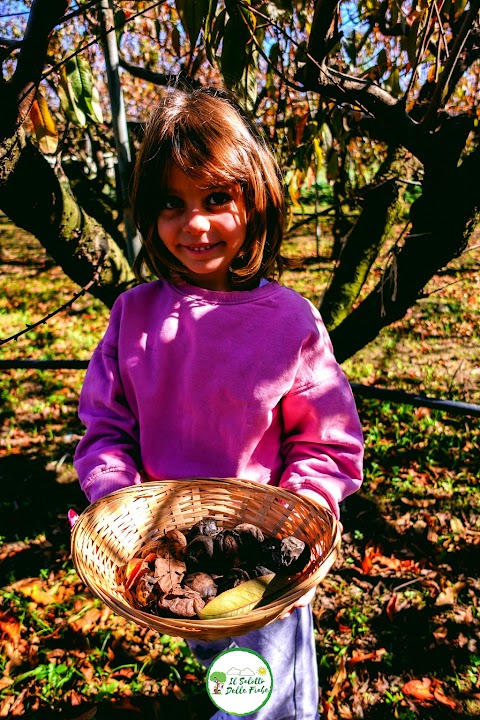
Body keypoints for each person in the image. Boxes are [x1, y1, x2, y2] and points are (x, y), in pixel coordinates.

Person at [73, 85, 364, 720]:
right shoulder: (134, 316)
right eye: (173, 204)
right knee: (232, 676)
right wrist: (118, 502)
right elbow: (105, 428)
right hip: (176, 556)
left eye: (216, 199)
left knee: (262, 698)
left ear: (253, 202)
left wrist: (299, 514)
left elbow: (326, 440)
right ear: (149, 214)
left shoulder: (289, 322)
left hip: (263, 559)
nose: (195, 224)